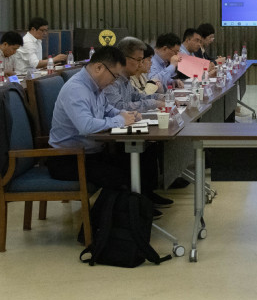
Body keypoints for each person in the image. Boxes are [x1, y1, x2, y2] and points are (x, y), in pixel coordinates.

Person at [46, 46, 171, 209]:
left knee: (143, 155)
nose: (114, 81)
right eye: (115, 76)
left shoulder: (95, 86)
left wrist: (126, 114)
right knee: (121, 176)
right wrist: (120, 120)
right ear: (99, 68)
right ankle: (131, 213)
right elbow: (86, 126)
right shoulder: (76, 90)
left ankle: (144, 202)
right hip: (69, 159)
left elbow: (108, 109)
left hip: (92, 153)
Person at [104, 37, 165, 112]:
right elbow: (118, 107)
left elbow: (137, 96)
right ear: (123, 58)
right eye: (138, 60)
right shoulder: (112, 80)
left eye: (142, 60)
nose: (140, 64)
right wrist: (154, 103)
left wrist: (161, 97)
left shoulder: (126, 78)